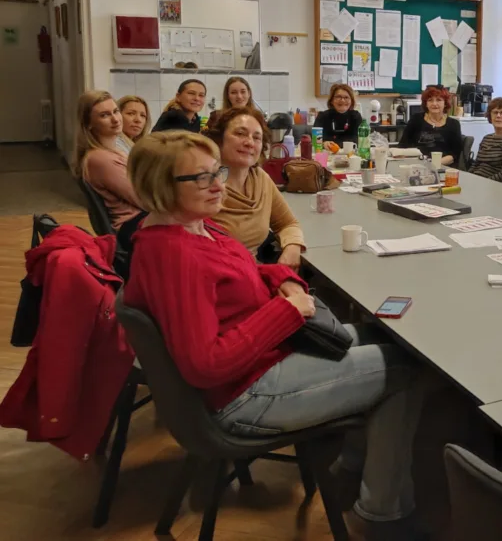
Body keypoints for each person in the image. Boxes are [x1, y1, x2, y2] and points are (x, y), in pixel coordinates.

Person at [124, 131, 427, 540]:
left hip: (262, 361)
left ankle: (355, 468)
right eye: (202, 178)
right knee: (404, 369)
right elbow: (205, 364)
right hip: (244, 394)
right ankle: (381, 514)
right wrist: (286, 311)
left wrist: (283, 280)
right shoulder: (175, 256)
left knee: (385, 339)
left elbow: (244, 273)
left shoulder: (194, 227)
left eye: (217, 172)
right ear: (160, 186)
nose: (218, 185)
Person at [206, 108, 305, 268]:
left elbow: (288, 223)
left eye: (257, 137)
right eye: (240, 134)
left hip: (252, 271)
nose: (249, 142)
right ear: (219, 139)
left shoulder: (260, 178)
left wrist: (292, 247)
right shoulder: (202, 185)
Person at [73, 90, 143, 231]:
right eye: (104, 115)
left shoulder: (115, 149)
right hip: (134, 226)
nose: (115, 119)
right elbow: (142, 199)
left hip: (143, 219)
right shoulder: (100, 160)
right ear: (89, 123)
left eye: (116, 111)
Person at [398, 86, 463, 166]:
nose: (434, 104)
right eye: (430, 100)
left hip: (443, 166)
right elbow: (403, 145)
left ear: (445, 103)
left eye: (439, 100)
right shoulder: (416, 119)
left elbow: (455, 154)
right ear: (426, 104)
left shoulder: (454, 124)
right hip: (417, 165)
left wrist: (434, 164)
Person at [469, 97, 502, 184]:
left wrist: (482, 183)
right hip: (477, 181)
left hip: (495, 185)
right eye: (495, 112)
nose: (498, 116)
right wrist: (468, 178)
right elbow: (475, 165)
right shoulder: (487, 138)